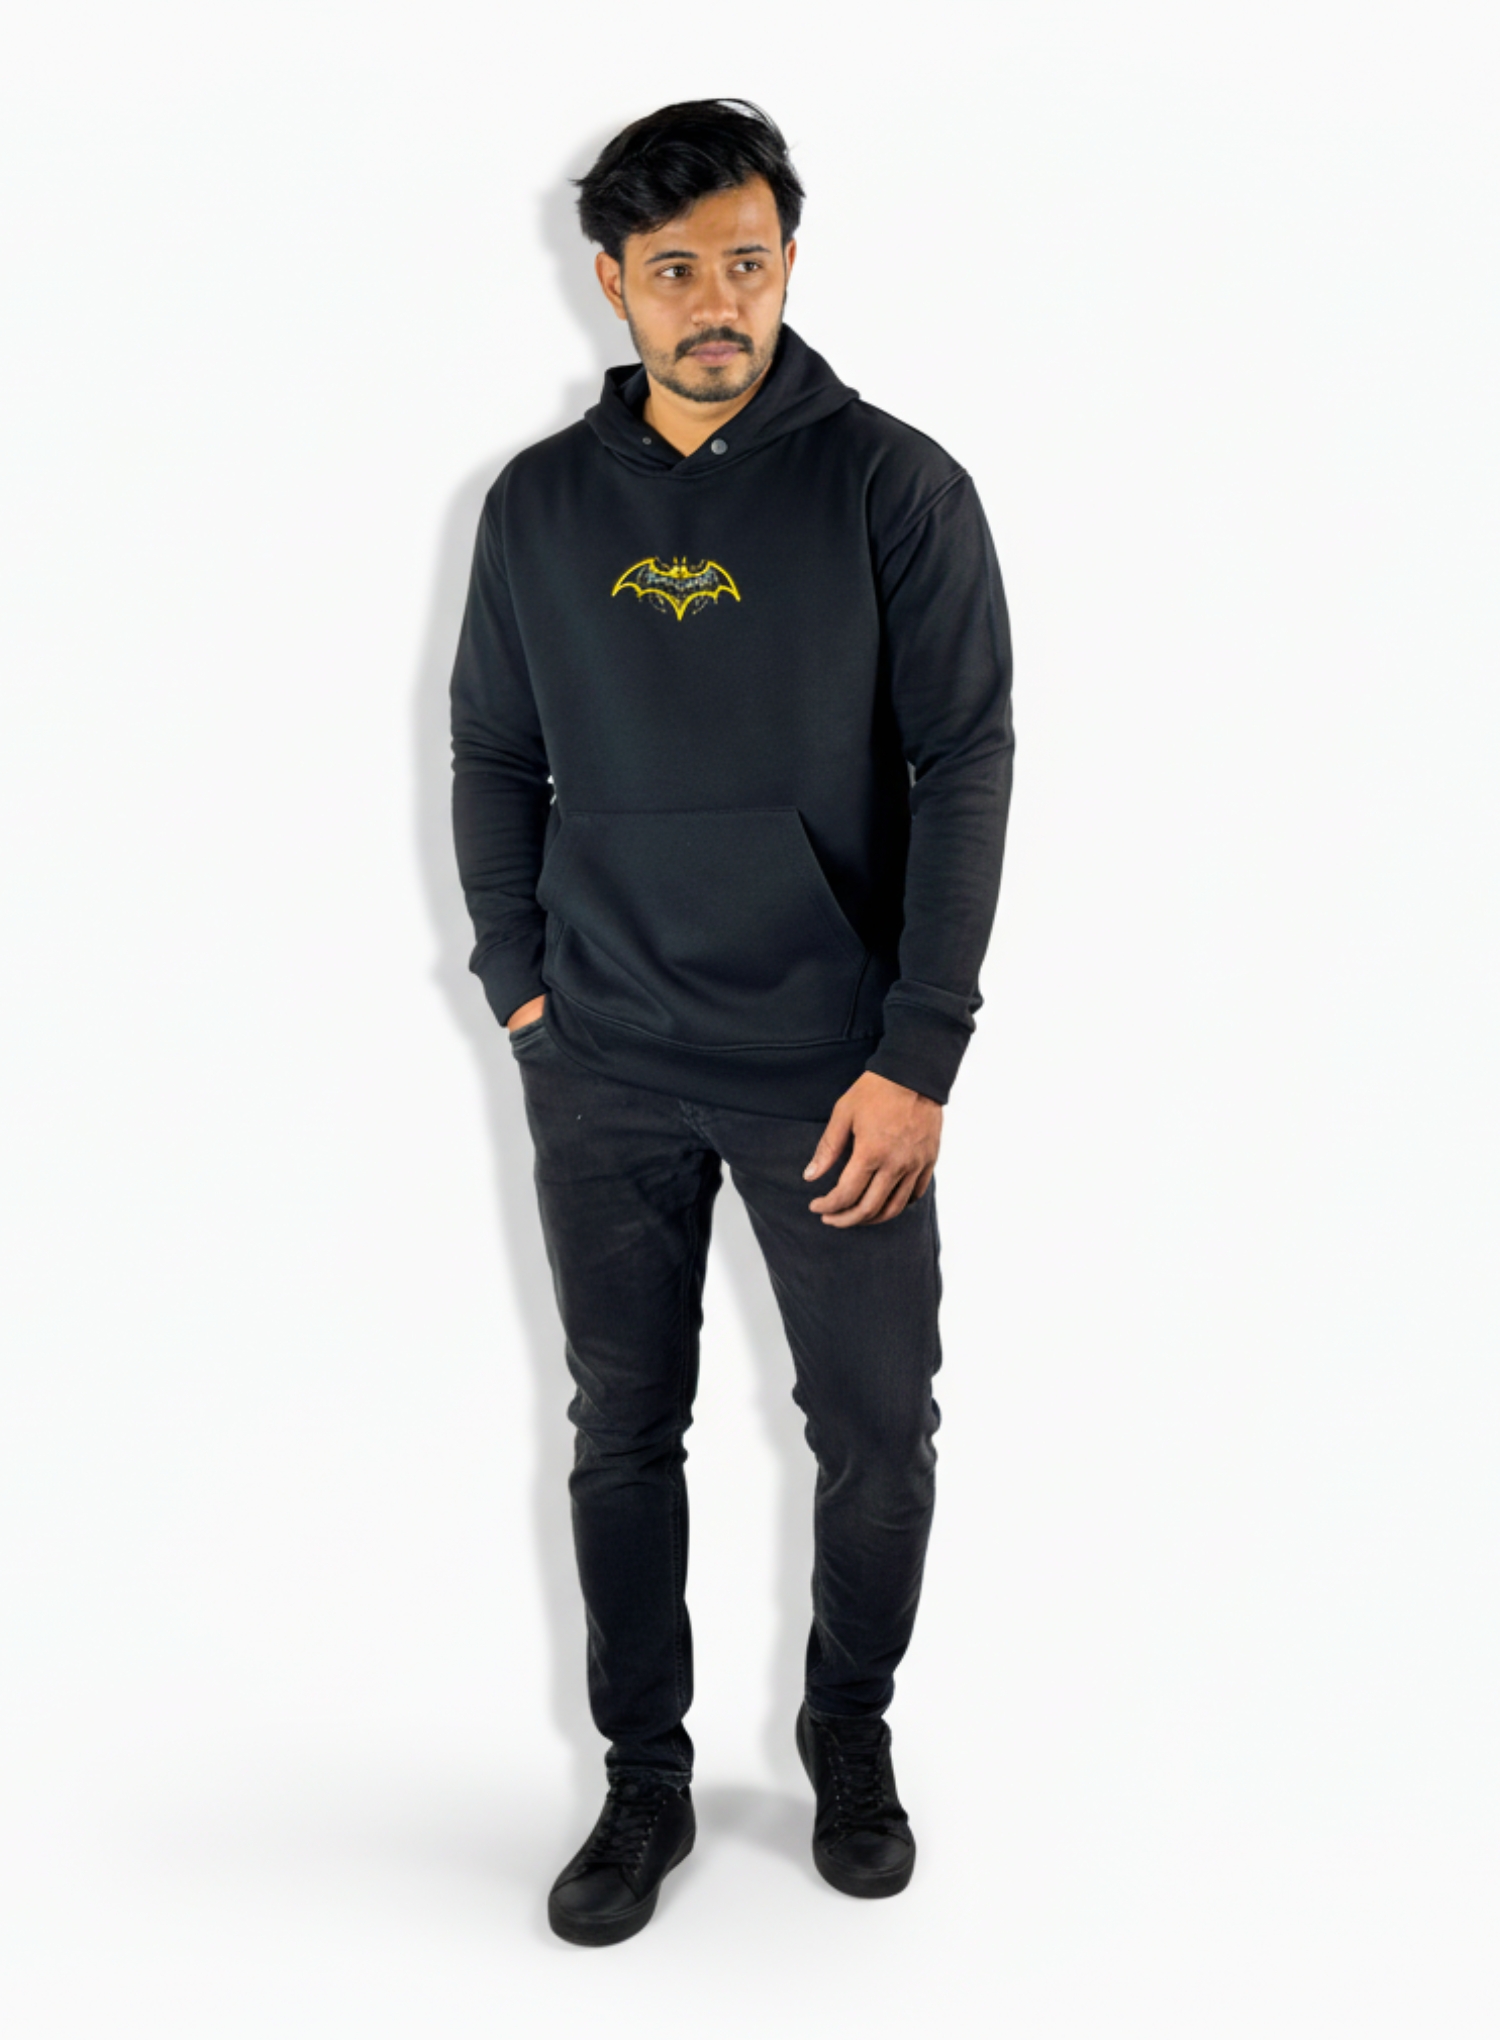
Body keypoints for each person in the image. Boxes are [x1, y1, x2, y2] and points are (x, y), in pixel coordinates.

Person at [449, 97, 1015, 1946]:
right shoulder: (537, 508)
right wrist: (520, 984)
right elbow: (494, 753)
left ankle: (848, 1732)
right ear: (610, 281)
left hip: (830, 1072)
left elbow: (965, 763)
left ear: (789, 262)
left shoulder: (893, 487)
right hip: (602, 1059)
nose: (718, 302)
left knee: (878, 1434)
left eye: (748, 263)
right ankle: (645, 1777)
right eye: (677, 268)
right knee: (622, 1427)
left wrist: (919, 1051)